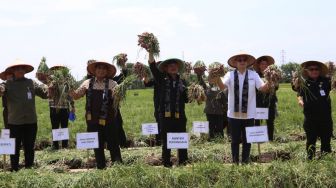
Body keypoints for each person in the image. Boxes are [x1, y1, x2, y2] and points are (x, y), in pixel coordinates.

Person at [216, 53, 269, 164]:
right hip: (233, 115)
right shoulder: (229, 75)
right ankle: (235, 162)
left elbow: (263, 88)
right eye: (239, 60)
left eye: (244, 59)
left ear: (247, 62)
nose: (242, 61)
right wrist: (216, 77)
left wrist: (272, 80)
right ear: (235, 63)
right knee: (235, 140)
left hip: (249, 114)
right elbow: (222, 87)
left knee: (247, 140)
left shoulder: (253, 75)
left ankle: (245, 162)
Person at [70, 61, 122, 169]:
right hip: (92, 120)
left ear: (107, 71)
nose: (101, 70)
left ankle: (118, 167)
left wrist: (118, 94)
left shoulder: (113, 84)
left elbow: (118, 99)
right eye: (99, 68)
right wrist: (68, 86)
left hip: (109, 120)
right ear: (95, 70)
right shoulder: (87, 83)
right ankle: (101, 167)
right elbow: (76, 96)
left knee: (113, 144)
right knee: (97, 145)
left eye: (104, 69)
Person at [0, 59, 48, 171]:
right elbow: (1, 90)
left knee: (29, 147)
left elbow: (45, 94)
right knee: (15, 148)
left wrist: (50, 87)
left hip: (31, 121)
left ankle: (29, 169)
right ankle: (15, 169)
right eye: (17, 68)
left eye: (22, 68)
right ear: (13, 71)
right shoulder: (7, 84)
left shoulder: (31, 83)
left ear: (25, 70)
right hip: (14, 122)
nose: (20, 70)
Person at [148, 52, 189, 167]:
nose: (173, 67)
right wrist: (150, 51)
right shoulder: (161, 79)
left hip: (180, 115)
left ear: (178, 68)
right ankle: (166, 163)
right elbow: (152, 66)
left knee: (181, 139)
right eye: (170, 65)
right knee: (166, 141)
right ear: (165, 68)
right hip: (165, 116)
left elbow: (186, 100)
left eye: (175, 65)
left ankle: (183, 162)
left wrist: (194, 94)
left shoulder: (183, 82)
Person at [293, 61, 333, 160]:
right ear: (307, 71)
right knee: (311, 140)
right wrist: (300, 101)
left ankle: (326, 160)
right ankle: (310, 160)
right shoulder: (304, 82)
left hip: (325, 117)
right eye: (311, 69)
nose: (314, 71)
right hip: (310, 117)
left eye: (316, 69)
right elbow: (299, 94)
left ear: (320, 71)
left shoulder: (326, 81)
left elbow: (334, 84)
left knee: (326, 140)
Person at [195, 66, 229, 140]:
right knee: (211, 128)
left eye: (215, 77)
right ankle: (211, 140)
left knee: (220, 129)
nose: (213, 78)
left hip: (220, 112)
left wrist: (226, 112)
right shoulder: (207, 87)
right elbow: (201, 82)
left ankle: (220, 141)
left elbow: (225, 101)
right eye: (211, 76)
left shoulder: (221, 88)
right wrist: (199, 74)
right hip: (209, 112)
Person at [48, 65, 75, 150]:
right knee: (55, 127)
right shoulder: (51, 82)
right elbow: (49, 94)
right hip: (54, 107)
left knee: (64, 127)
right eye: (57, 70)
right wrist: (52, 86)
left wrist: (72, 105)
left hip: (64, 108)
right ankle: (55, 146)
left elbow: (70, 95)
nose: (59, 72)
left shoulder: (67, 83)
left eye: (61, 70)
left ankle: (64, 146)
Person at [253, 56, 278, 141]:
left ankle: (270, 139)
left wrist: (272, 80)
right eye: (262, 64)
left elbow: (276, 87)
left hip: (270, 101)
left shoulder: (273, 74)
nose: (264, 65)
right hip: (258, 101)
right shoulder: (255, 75)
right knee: (257, 121)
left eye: (266, 64)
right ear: (259, 65)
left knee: (270, 121)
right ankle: (257, 140)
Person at [143, 61, 162, 146]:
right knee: (158, 121)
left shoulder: (167, 77)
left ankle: (169, 141)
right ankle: (159, 141)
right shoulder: (155, 78)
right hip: (158, 104)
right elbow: (147, 83)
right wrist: (145, 74)